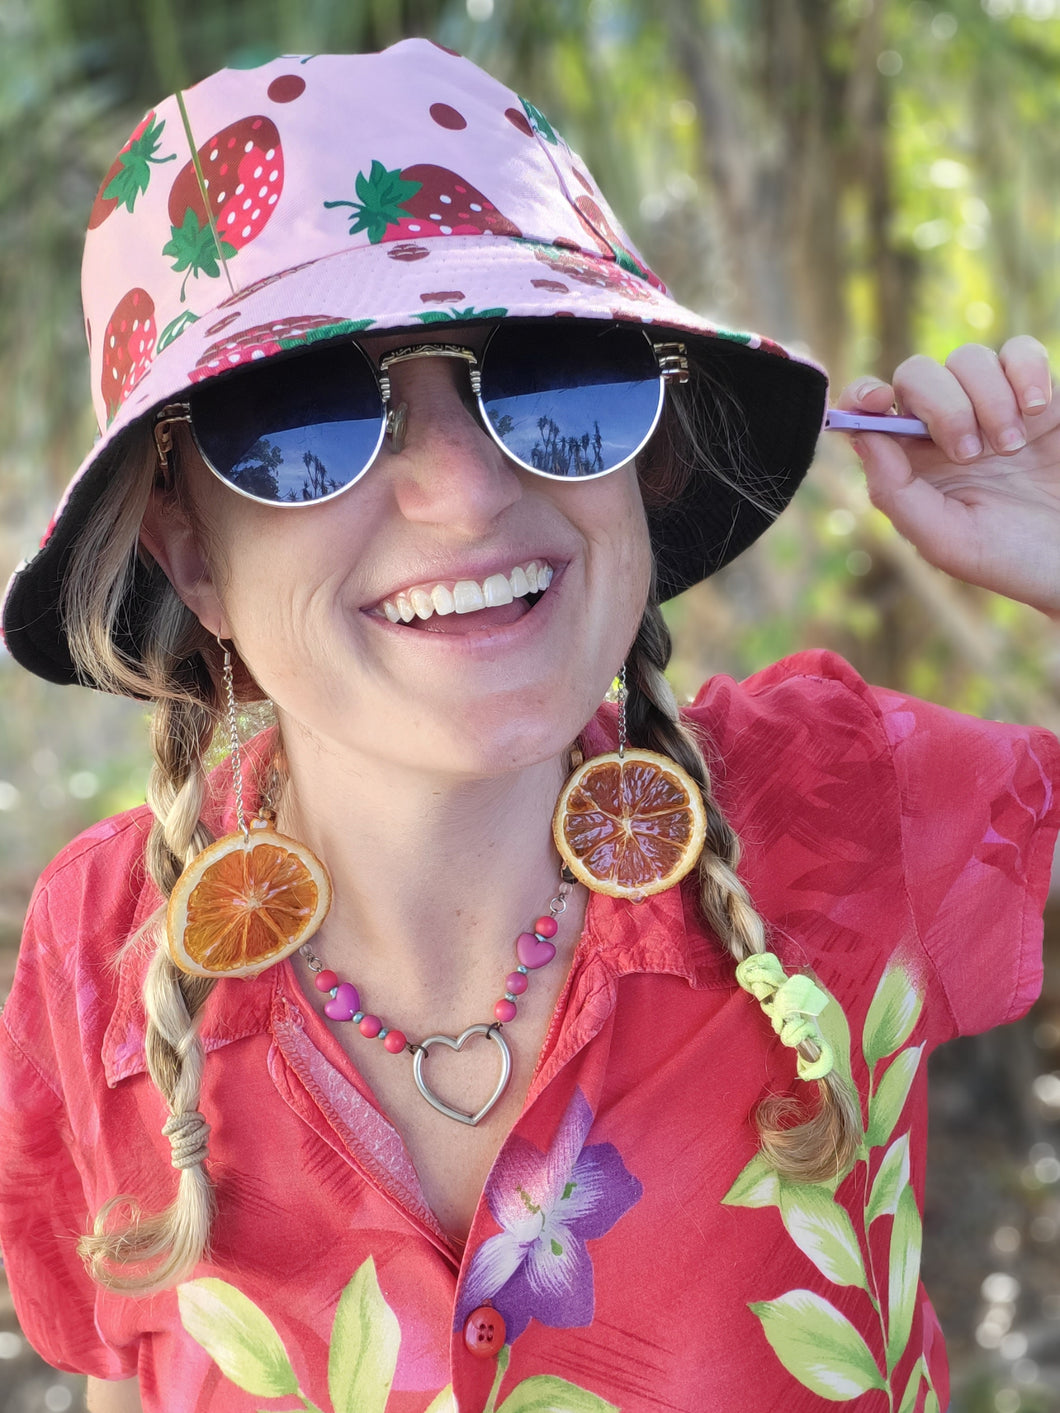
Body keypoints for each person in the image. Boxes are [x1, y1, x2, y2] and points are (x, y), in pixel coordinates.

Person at [1, 39, 1058, 1413]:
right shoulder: (97, 959)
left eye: (552, 376)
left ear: (650, 453)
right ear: (189, 553)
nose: (460, 492)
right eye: (304, 417)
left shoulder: (843, 801)